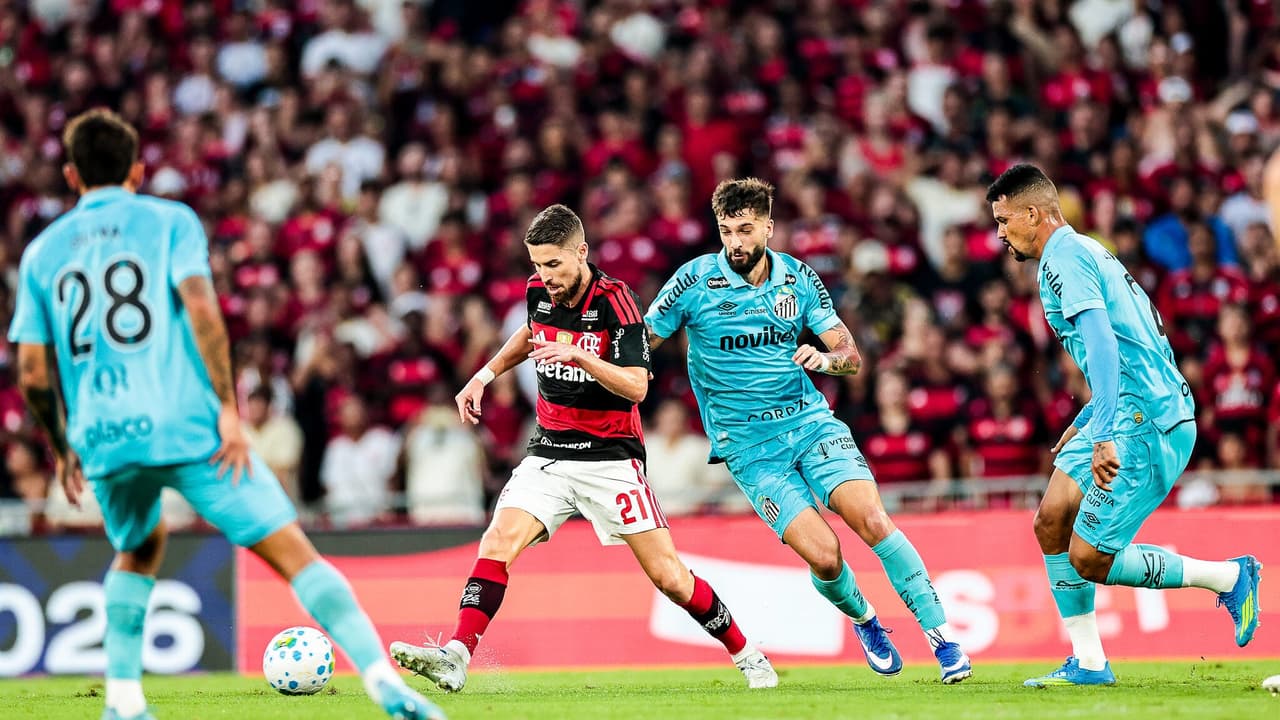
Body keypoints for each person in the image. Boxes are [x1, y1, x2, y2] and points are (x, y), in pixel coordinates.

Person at [6, 109, 444, 720]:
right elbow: (204, 314)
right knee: (293, 553)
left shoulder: (40, 254)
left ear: (71, 174)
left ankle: (125, 704)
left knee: (139, 546)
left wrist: (61, 446)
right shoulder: (169, 221)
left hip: (103, 435)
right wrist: (229, 413)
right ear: (136, 171)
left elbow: (30, 371)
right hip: (185, 427)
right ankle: (383, 683)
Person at [389, 204, 777, 692]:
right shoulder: (538, 293)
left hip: (611, 458)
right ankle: (457, 654)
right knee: (497, 542)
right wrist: (483, 376)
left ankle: (747, 654)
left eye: (553, 264)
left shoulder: (617, 302)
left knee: (670, 577)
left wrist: (580, 355)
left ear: (582, 252)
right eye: (536, 265)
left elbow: (637, 386)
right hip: (549, 453)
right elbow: (531, 333)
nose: (544, 276)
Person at [644, 178, 972, 684]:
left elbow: (850, 356)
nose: (735, 242)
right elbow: (642, 339)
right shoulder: (692, 281)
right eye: (726, 231)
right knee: (825, 556)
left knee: (873, 520)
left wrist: (824, 358)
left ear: (769, 228)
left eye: (746, 230)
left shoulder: (798, 279)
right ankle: (866, 620)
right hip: (750, 449)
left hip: (810, 423)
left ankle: (943, 640)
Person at [986, 163, 1263, 688]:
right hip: (1125, 408)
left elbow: (1104, 344)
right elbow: (1135, 343)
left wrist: (1105, 429)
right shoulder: (1084, 252)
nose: (1000, 232)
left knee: (1088, 557)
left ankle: (1230, 577)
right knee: (1050, 522)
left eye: (1004, 220)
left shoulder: (1065, 258)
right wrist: (1090, 416)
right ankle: (1089, 661)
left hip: (1146, 420)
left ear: (1032, 213)